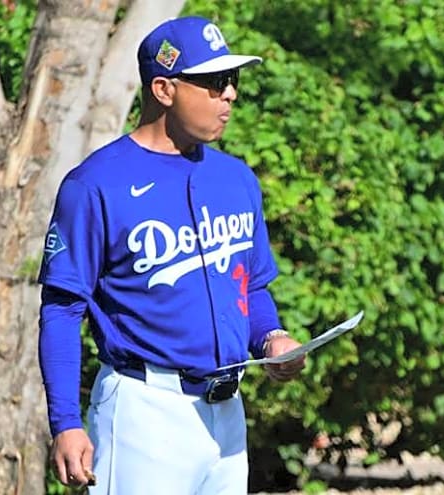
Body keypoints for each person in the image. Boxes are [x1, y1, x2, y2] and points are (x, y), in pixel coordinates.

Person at [38, 15, 306, 494]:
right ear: (163, 88)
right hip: (144, 412)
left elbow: (251, 286)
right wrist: (65, 421)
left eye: (233, 81)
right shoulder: (95, 184)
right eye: (214, 82)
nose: (230, 94)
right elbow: (62, 310)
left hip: (226, 414)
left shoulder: (237, 179)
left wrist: (272, 339)